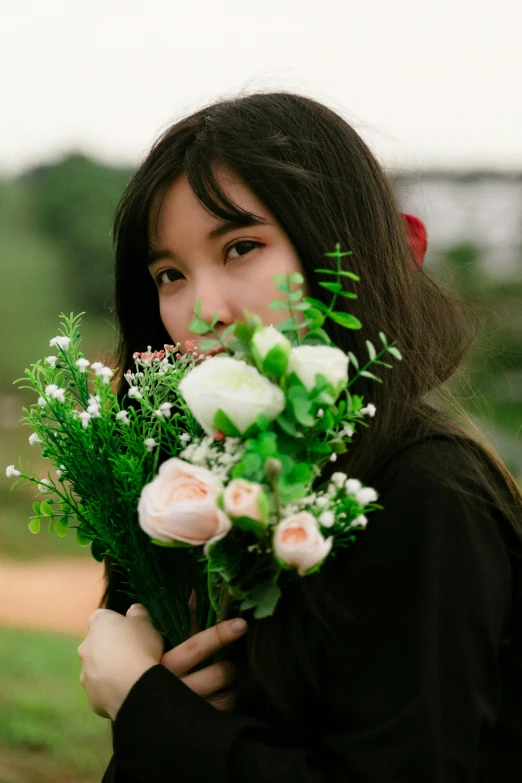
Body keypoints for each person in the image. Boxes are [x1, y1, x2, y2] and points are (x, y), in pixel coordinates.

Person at [77, 91, 522, 782]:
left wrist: (143, 701)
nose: (203, 313)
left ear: (343, 251)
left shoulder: (429, 491)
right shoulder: (189, 482)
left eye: (242, 247)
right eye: (171, 274)